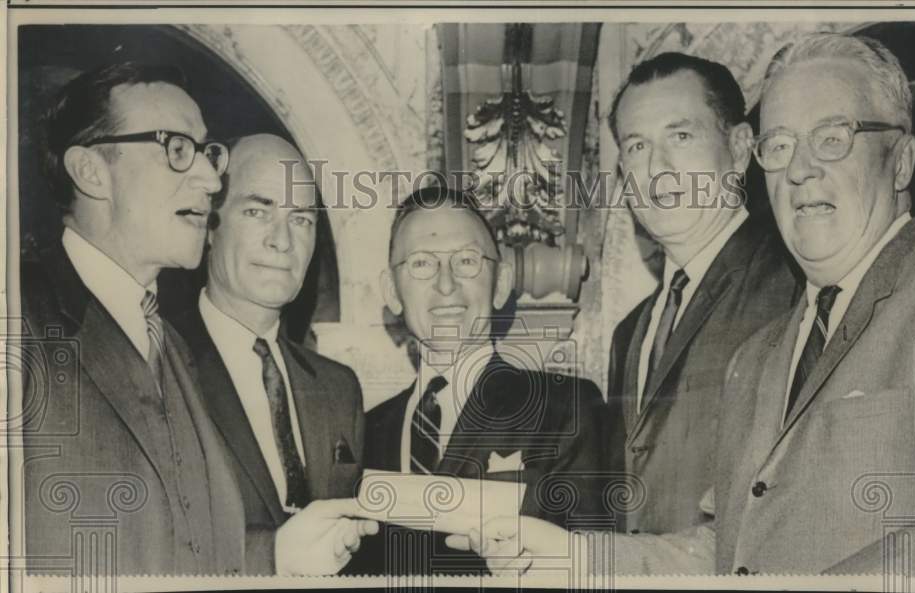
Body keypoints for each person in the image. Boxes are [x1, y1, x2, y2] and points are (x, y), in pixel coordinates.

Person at [452, 33, 915, 576]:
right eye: (782, 145)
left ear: (903, 158)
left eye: (832, 137)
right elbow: (727, 547)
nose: (800, 169)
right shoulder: (761, 356)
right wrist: (577, 556)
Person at [20, 62, 365, 576]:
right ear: (91, 171)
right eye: (177, 148)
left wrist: (272, 556)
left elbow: (181, 547)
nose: (208, 178)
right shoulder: (19, 318)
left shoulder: (164, 345)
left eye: (207, 154)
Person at [358, 186, 606, 574]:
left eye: (467, 262)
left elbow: (593, 569)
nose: (446, 285)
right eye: (422, 263)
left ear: (501, 283)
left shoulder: (564, 409)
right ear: (392, 291)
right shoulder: (363, 432)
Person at [604, 52, 799, 535]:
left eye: (681, 136)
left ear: (737, 149)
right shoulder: (630, 332)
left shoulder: (794, 280)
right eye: (636, 147)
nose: (658, 168)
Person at [171, 134, 374, 575]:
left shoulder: (339, 388)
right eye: (257, 211)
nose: (282, 240)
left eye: (300, 219)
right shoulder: (158, 365)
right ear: (209, 225)